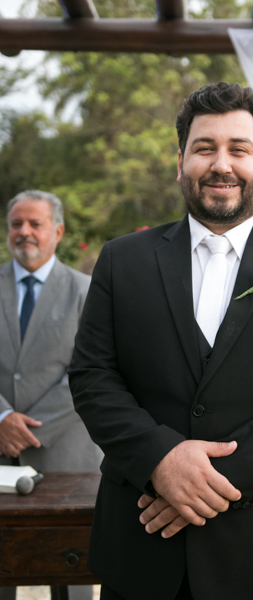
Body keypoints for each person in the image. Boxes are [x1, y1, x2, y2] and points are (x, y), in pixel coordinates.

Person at [69, 82, 253, 600]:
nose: (221, 164)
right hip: (142, 542)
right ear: (180, 163)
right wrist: (161, 462)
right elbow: (93, 377)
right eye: (204, 148)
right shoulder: (120, 260)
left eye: (238, 149)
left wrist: (204, 482)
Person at [0, 190, 102, 600]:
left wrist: (27, 430)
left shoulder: (87, 290)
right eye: (16, 224)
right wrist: (1, 418)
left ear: (57, 232)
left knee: (72, 581)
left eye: (35, 223)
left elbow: (91, 369)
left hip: (67, 460)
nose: (24, 231)